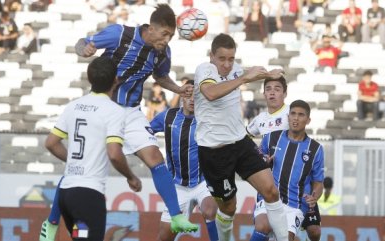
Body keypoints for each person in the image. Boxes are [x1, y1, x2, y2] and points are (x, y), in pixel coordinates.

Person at [40, 4, 199, 239]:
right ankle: (51, 222)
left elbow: (160, 75)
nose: (167, 40)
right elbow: (82, 42)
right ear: (151, 28)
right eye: (164, 34)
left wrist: (177, 88)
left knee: (156, 158)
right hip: (104, 107)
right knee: (82, 166)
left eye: (171, 36)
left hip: (131, 111)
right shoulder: (119, 34)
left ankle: (175, 216)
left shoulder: (163, 52)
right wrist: (85, 49)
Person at [193, 33, 289, 241]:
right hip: (214, 151)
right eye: (222, 59)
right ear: (212, 56)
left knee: (271, 191)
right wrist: (244, 78)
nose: (227, 64)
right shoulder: (205, 70)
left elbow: (246, 72)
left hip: (240, 143)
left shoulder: (235, 69)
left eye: (231, 58)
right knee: (229, 207)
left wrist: (268, 73)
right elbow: (210, 93)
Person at [42, 56, 142, 241]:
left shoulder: (73, 106)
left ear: (90, 79)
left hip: (66, 195)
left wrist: (75, 159)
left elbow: (51, 143)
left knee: (81, 238)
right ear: (116, 80)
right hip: (87, 195)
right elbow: (114, 154)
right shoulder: (114, 111)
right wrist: (131, 176)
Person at [247, 78, 322, 241]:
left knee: (314, 231)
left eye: (277, 89)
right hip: (271, 189)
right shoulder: (264, 126)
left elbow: (317, 179)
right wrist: (262, 159)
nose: (295, 118)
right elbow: (247, 140)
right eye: (268, 89)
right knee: (264, 227)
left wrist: (314, 195)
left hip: (297, 194)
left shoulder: (293, 111)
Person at [151, 80, 219, 241]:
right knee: (164, 237)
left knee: (209, 211)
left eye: (197, 96)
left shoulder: (207, 119)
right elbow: (146, 131)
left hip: (203, 181)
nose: (193, 99)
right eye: (189, 95)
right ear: (182, 95)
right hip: (177, 185)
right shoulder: (168, 117)